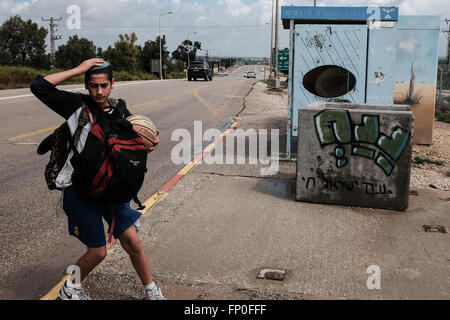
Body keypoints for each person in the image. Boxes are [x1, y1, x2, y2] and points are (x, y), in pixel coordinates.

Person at [30, 58, 166, 300]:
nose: (99, 91)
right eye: (93, 85)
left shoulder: (121, 111)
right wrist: (80, 69)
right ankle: (70, 288)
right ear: (86, 85)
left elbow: (136, 138)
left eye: (104, 85)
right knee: (98, 252)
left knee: (133, 243)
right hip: (82, 191)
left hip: (112, 189)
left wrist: (149, 143)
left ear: (113, 84)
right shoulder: (76, 107)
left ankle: (152, 291)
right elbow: (38, 87)